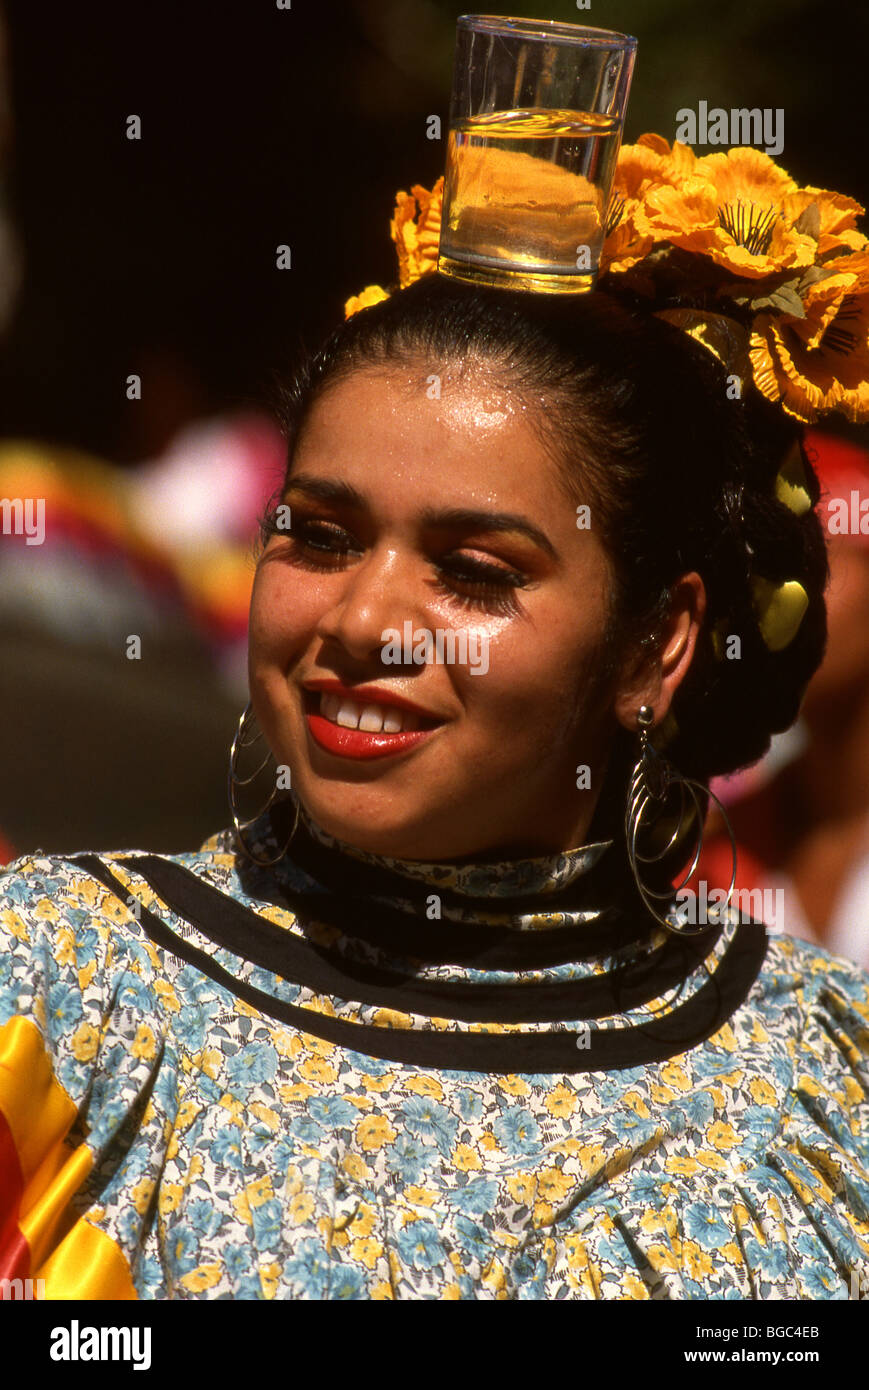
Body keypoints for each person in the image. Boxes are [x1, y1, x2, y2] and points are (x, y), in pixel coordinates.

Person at [1, 136, 868, 1302]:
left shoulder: (823, 1079)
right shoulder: (54, 990)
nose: (363, 620)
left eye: (470, 568)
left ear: (654, 644)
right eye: (317, 534)